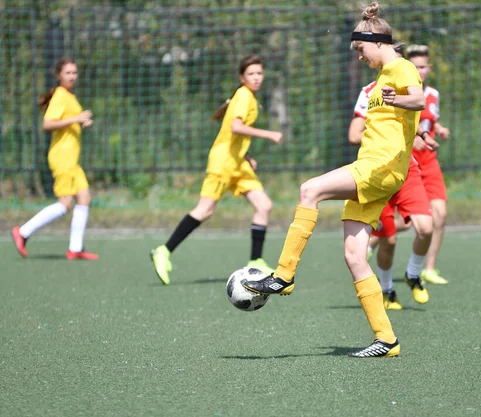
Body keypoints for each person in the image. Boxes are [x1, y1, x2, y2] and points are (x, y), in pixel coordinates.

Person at [243, 2, 424, 358]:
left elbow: (417, 98)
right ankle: (386, 339)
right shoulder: (378, 80)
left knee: (310, 188)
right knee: (354, 255)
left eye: (360, 49)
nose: (359, 57)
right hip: (373, 167)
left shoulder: (399, 68)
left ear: (375, 41)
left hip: (380, 169)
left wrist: (400, 100)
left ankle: (283, 274)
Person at [150, 54, 282, 285]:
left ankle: (256, 261)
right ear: (242, 78)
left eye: (259, 73)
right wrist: (268, 133)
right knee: (204, 210)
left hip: (237, 163)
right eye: (251, 74)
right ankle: (164, 250)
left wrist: (247, 155)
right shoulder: (243, 96)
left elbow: (233, 133)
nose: (256, 78)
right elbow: (236, 127)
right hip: (223, 162)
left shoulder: (247, 96)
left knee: (264, 205)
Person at [348, 70, 437, 310]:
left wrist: (424, 135)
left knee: (426, 227)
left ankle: (413, 273)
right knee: (389, 240)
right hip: (378, 173)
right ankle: (387, 290)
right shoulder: (369, 92)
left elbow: (415, 121)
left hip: (407, 169)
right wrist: (385, 133)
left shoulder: (406, 89)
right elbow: (354, 134)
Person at [11, 57, 98, 260]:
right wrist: (75, 119)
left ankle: (75, 249)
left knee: (84, 198)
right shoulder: (60, 95)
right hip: (62, 158)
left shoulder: (70, 97)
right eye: (68, 73)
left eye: (74, 73)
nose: (72, 77)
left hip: (72, 160)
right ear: (59, 75)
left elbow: (66, 123)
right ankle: (22, 232)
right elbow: (47, 124)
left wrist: (80, 123)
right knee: (65, 204)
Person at [405, 44, 451, 285]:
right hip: (407, 163)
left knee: (440, 215)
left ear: (429, 69)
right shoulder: (401, 94)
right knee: (401, 224)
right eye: (414, 67)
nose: (419, 71)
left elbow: (431, 120)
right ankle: (372, 244)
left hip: (430, 162)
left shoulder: (433, 94)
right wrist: (413, 141)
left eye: (422, 67)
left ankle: (428, 269)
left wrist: (440, 129)